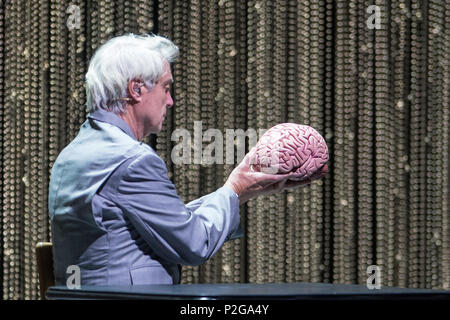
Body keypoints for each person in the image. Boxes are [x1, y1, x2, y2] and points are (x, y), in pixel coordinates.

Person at [48, 34, 327, 286]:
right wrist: (234, 189)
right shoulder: (132, 161)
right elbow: (193, 243)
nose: (170, 101)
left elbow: (160, 222)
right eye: (165, 88)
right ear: (136, 89)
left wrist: (240, 192)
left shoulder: (71, 155)